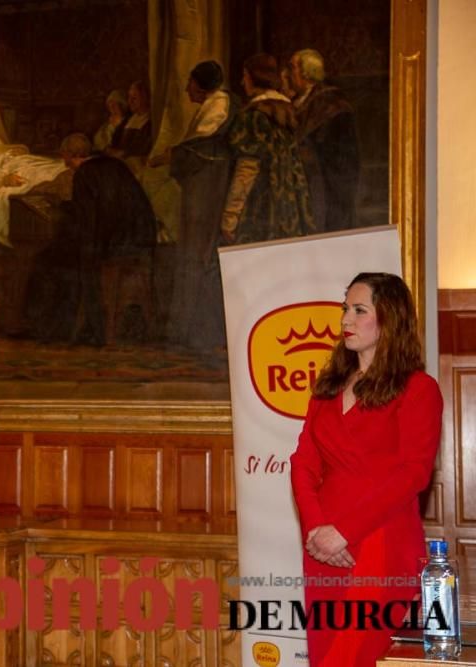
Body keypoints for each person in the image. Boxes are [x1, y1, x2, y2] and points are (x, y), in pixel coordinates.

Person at [290, 272, 443, 666]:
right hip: (322, 549)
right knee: (326, 658)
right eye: (345, 309)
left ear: (389, 319)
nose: (345, 321)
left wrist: (344, 532)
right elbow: (303, 462)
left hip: (380, 543)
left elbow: (413, 474)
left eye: (359, 310)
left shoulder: (418, 389)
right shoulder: (326, 389)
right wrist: (315, 529)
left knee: (357, 657)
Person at [24, 133, 157, 346]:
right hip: (139, 238)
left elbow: (89, 220)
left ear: (69, 155)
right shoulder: (115, 165)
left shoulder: (84, 174)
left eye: (64, 156)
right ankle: (80, 328)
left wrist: (65, 214)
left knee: (48, 262)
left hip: (113, 242)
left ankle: (60, 330)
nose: (64, 161)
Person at [158, 60, 236, 350]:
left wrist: (172, 156)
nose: (186, 88)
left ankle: (196, 331)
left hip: (208, 188)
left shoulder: (219, 104)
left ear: (201, 84)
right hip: (200, 186)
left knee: (199, 252)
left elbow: (202, 146)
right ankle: (186, 329)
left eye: (190, 82)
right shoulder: (211, 104)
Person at [221, 53, 315, 244]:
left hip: (260, 210)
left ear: (254, 77)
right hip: (290, 209)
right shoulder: (289, 111)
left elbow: (246, 170)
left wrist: (230, 216)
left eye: (245, 76)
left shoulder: (253, 116)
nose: (242, 82)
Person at [290, 48, 360, 232]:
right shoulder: (301, 101)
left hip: (329, 184)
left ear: (306, 72)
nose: (289, 75)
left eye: (293, 68)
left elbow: (339, 153)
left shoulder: (330, 103)